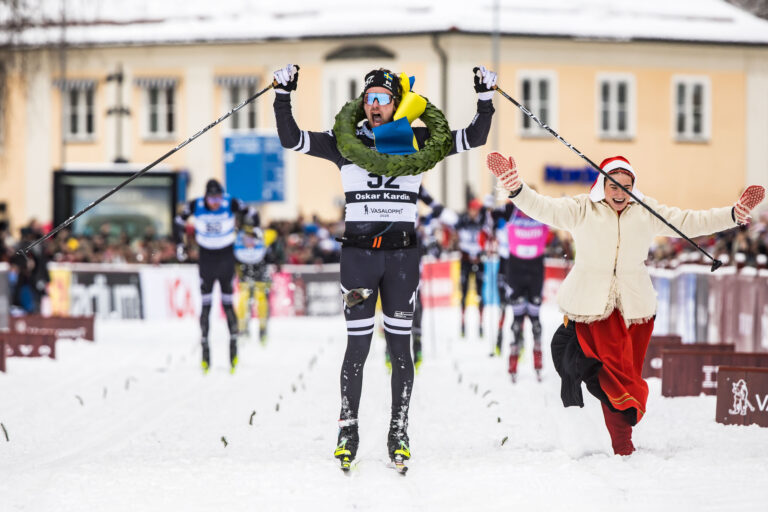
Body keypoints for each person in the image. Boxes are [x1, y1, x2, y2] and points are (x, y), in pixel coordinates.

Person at [272, 63, 497, 470]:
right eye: (370, 98)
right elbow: (292, 140)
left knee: (400, 348)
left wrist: (485, 99)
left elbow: (474, 137)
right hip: (358, 259)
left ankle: (399, 429)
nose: (375, 105)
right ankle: (348, 428)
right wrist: (283, 95)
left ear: (396, 104)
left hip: (401, 261)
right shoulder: (345, 141)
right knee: (357, 346)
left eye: (383, 98)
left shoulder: (419, 139)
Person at [487, 151, 764, 455]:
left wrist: (732, 215)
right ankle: (620, 445)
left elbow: (689, 220)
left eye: (626, 186)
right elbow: (543, 208)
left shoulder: (645, 211)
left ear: (634, 187)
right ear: (601, 186)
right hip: (592, 308)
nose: (619, 193)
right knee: (609, 376)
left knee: (626, 380)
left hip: (634, 311)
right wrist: (516, 188)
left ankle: (617, 440)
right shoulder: (583, 209)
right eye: (613, 186)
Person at [175, 178, 257, 374]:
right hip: (206, 259)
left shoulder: (232, 202)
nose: (216, 203)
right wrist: (180, 243)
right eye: (212, 199)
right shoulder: (196, 204)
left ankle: (233, 350)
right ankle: (205, 352)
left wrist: (252, 234)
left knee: (228, 305)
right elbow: (178, 221)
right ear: (206, 196)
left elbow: (252, 215)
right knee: (206, 306)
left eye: (219, 198)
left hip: (226, 257)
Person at [495, 196, 549, 382]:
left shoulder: (542, 210)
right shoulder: (511, 211)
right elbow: (491, 216)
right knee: (517, 322)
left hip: (535, 269)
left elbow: (562, 217)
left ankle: (538, 365)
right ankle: (513, 365)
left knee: (535, 321)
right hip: (516, 269)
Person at [234, 221, 275, 344]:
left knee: (261, 299)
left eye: (251, 239)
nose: (249, 242)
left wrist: (261, 235)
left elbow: (273, 234)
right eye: (246, 239)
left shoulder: (262, 245)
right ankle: (242, 328)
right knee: (243, 299)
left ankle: (263, 328)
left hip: (261, 279)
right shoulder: (239, 248)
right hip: (245, 279)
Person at [455, 198, 491, 338]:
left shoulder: (483, 221)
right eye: (472, 209)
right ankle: (463, 323)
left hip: (479, 259)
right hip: (465, 260)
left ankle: (481, 324)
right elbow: (455, 234)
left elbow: (488, 236)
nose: (474, 212)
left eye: (477, 209)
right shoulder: (462, 220)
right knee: (463, 292)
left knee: (479, 293)